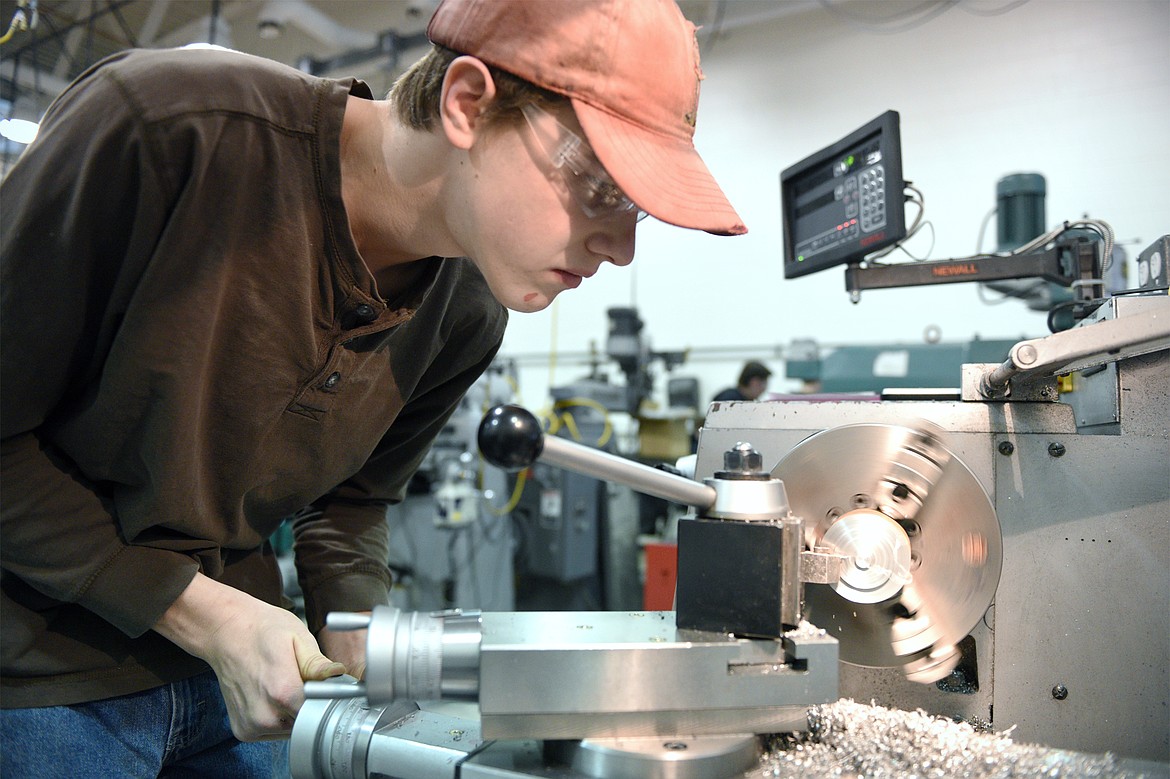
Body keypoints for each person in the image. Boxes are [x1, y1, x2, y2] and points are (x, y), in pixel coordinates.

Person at [0, 0, 746, 775]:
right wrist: (202, 613)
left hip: (233, 689)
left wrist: (355, 625)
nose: (620, 248)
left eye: (636, 212)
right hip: (35, 667)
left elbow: (354, 498)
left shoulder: (467, 312)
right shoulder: (172, 132)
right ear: (467, 103)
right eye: (600, 185)